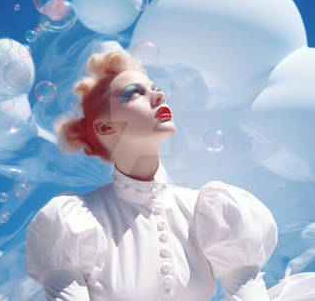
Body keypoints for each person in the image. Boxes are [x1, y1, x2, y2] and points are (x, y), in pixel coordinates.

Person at [26, 46, 315, 301]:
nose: (158, 94)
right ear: (105, 128)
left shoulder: (211, 210)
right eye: (135, 93)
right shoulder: (72, 224)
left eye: (155, 88)